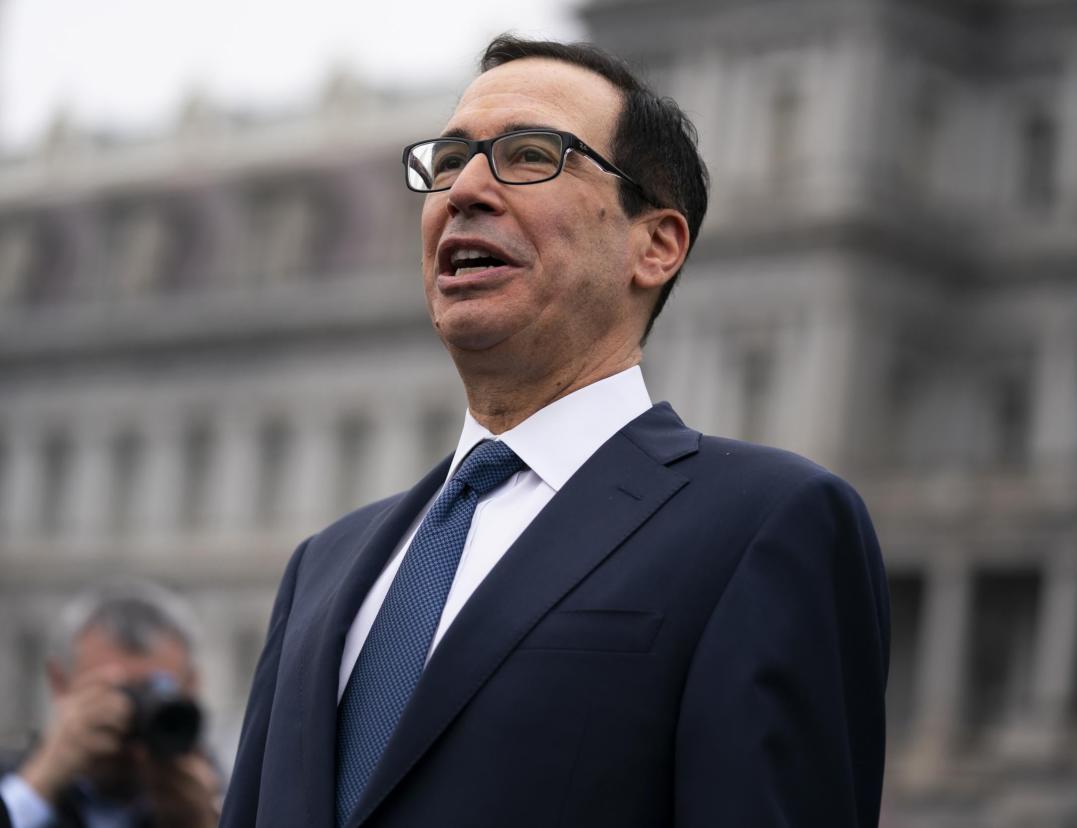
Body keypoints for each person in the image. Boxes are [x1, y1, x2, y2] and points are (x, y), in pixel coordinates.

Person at [222, 34, 890, 828]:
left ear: (656, 245)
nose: (465, 188)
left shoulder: (768, 524)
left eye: (532, 155)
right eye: (446, 162)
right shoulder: (321, 569)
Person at [0, 581, 221, 828]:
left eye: (155, 694)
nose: (134, 715)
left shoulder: (238, 793)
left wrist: (204, 821)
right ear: (60, 683)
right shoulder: (14, 782)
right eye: (114, 694)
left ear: (191, 687)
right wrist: (38, 785)